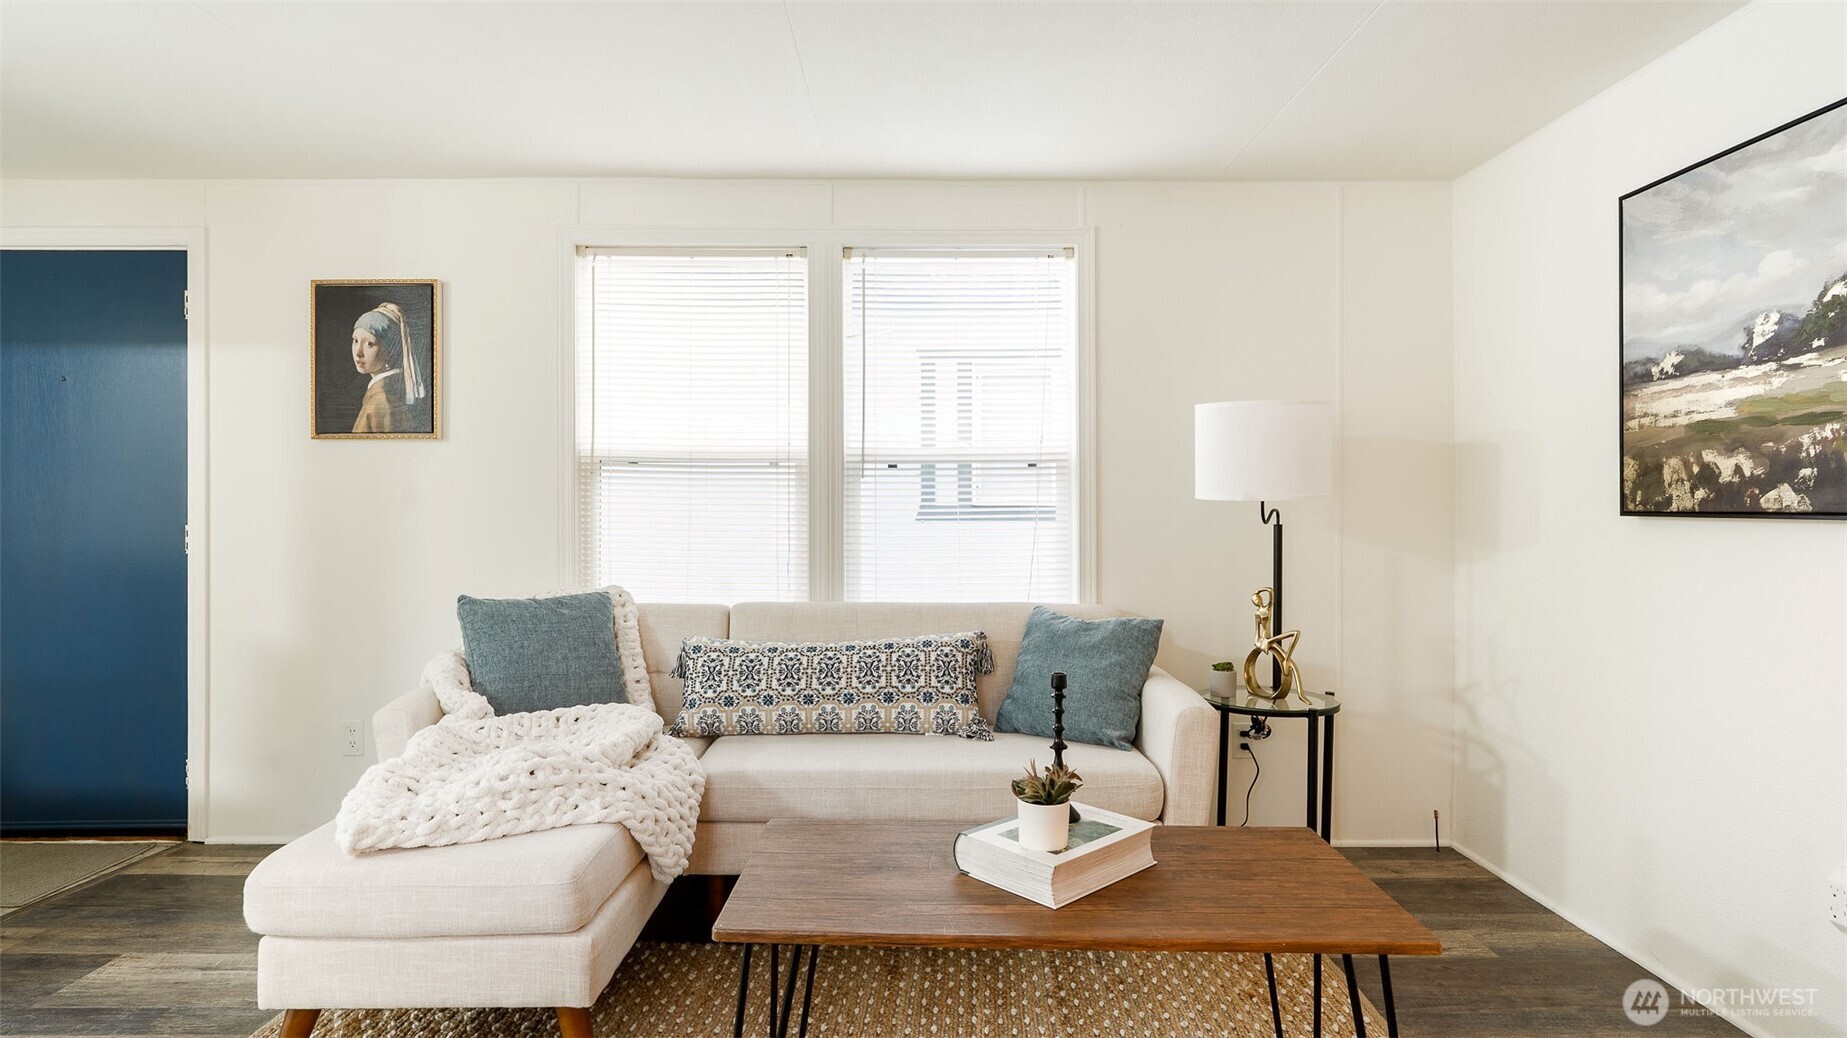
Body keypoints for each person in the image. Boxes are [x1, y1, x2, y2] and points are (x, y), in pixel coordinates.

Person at [349, 302, 428, 433]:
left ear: (390, 350)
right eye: (355, 340)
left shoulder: (381, 401)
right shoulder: (389, 392)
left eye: (369, 344)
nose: (358, 352)